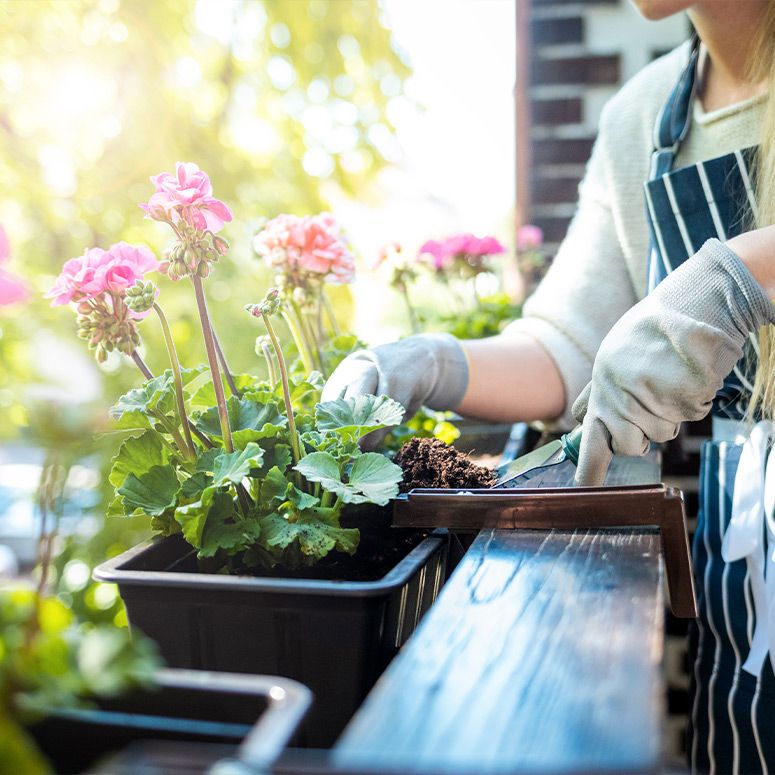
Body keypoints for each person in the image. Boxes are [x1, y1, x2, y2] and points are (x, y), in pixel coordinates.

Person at [323, 1, 775, 772]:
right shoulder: (645, 115)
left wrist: (742, 275)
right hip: (747, 546)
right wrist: (425, 364)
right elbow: (568, 345)